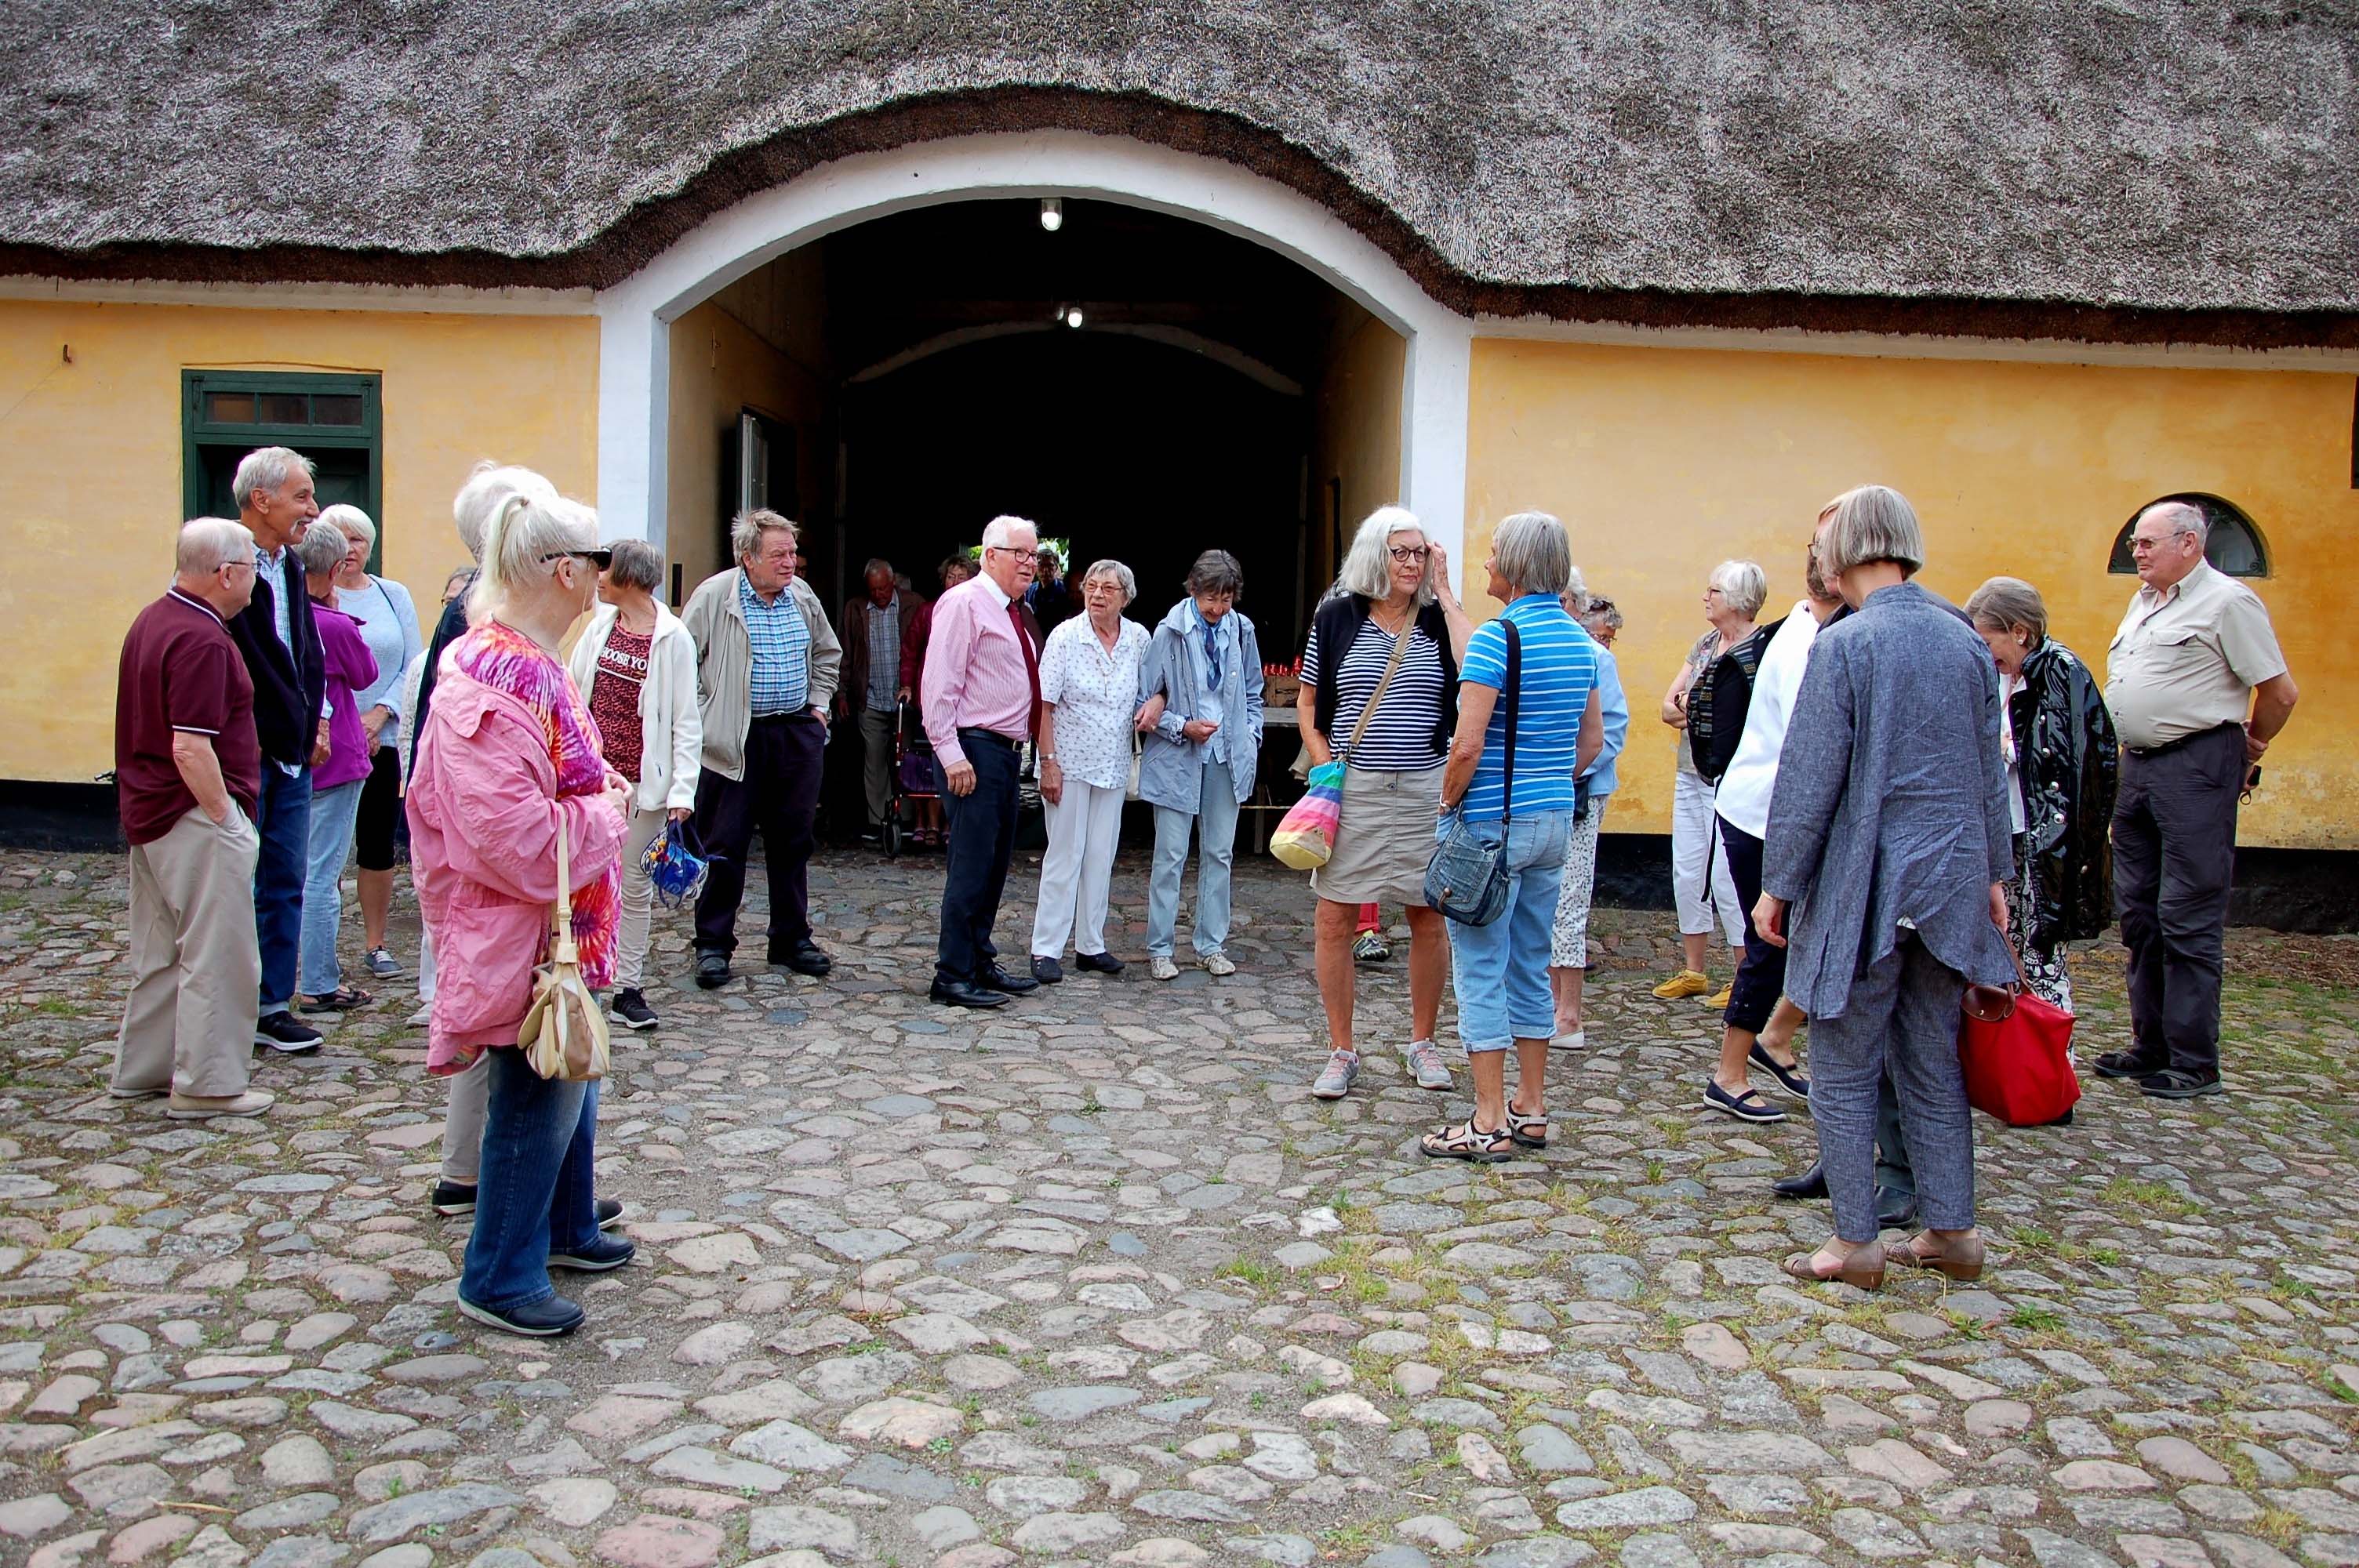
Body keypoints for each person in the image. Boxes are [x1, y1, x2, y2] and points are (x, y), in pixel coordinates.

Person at [1756, 485, 2013, 1289]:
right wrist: (1993, 875)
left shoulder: (1847, 644)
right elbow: (1986, 771)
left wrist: (1777, 886)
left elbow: (1806, 781)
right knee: (1929, 1057)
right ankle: (1952, 1231)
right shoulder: (1965, 640)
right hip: (1949, 878)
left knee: (1840, 1055)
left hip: (1866, 879)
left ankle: (1854, 1243)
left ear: (1848, 549)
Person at [406, 485, 634, 1337]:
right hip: (528, 928)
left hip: (560, 926)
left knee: (568, 1071)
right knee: (534, 1087)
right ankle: (499, 1272)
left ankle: (567, 1224)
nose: (605, 578)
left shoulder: (522, 658)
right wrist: (607, 811)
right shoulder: (500, 670)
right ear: (566, 571)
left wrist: (594, 790)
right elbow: (522, 839)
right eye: (598, 563)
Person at [1419, 513, 1601, 1160]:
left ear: (1516, 566)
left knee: (1478, 966)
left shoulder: (1500, 637)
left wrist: (1446, 800)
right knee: (1530, 963)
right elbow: (1592, 743)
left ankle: (1487, 1116)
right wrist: (1546, 781)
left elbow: (1466, 744)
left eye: (1494, 554)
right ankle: (1531, 1104)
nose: (1488, 563)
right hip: (1552, 824)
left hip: (1491, 826)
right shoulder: (1581, 643)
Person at [2101, 500, 2297, 1098]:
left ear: (2190, 544)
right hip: (2139, 769)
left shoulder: (2228, 602)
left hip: (2195, 765)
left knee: (2187, 913)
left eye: (2148, 542)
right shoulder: (2144, 604)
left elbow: (2280, 690)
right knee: (2138, 912)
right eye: (2136, 541)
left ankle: (2193, 1061)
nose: (2137, 550)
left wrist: (2251, 745)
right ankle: (2151, 1045)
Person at [423, 462, 558, 1218]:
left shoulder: (508, 621)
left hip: (496, 859)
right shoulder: (478, 625)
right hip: (485, 867)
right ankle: (471, 1177)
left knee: (514, 1019)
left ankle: (539, 1187)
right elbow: (456, 773)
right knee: (490, 1016)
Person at [1299, 508, 1470, 1097]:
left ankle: (1423, 1043)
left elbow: (1474, 669)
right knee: (1335, 917)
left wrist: (1445, 594)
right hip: (1359, 789)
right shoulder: (1337, 615)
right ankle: (1341, 1050)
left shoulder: (1436, 619)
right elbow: (1307, 701)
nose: (1411, 563)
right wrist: (1323, 763)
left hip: (1425, 788)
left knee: (1429, 916)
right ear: (1376, 555)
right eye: (1400, 552)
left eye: (1420, 553)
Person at [111, 519, 276, 1120]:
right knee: (219, 951)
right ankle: (206, 1083)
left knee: (159, 951)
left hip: (150, 810)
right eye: (253, 569)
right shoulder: (204, 639)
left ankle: (147, 1069)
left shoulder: (154, 619)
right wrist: (226, 818)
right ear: (226, 573)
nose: (257, 581)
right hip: (190, 814)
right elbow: (190, 744)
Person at [1702, 514, 1834, 1123]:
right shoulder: (1807, 637)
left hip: (1776, 806)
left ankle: (1775, 1038)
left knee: (1813, 938)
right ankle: (1730, 1072)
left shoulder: (1812, 626)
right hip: (1767, 811)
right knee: (1771, 939)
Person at [682, 509, 843, 989]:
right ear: (748, 558)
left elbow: (826, 653)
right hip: (735, 736)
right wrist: (705, 717)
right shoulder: (715, 597)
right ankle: (713, 944)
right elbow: (680, 663)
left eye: (793, 552)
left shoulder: (802, 595)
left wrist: (818, 707)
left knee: (793, 841)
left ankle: (790, 938)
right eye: (779, 554)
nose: (791, 562)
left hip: (794, 733)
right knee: (723, 843)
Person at [1965, 576, 2118, 1013]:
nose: (1983, 652)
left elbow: (2074, 762)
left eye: (1987, 639)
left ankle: (2052, 1065)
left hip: (2044, 843)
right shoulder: (1999, 675)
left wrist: (2005, 750)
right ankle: (2011, 1063)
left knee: (2040, 953)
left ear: (2020, 631)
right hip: (2004, 833)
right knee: (2002, 947)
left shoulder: (2060, 672)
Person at [567, 538, 701, 1031]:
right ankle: (582, 975)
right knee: (583, 878)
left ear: (628, 577)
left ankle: (627, 985)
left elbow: (686, 721)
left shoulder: (673, 638)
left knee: (635, 886)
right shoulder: (599, 628)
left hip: (645, 787)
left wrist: (682, 791)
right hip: (594, 783)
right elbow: (574, 690)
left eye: (605, 570)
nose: (596, 577)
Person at [921, 516, 1049, 1007]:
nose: (1029, 563)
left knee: (994, 865)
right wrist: (951, 755)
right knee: (971, 866)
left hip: (1001, 752)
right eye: (1019, 553)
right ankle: (951, 974)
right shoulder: (964, 603)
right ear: (989, 555)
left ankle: (978, 959)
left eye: (1033, 555)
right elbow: (939, 686)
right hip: (972, 750)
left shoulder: (1014, 609)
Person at [1137, 550, 1264, 981]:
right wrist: (1181, 726)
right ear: (1193, 590)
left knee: (1219, 852)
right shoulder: (1170, 631)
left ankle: (1211, 945)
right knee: (1170, 854)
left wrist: (1251, 735)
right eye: (1210, 598)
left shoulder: (1242, 631)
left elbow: (1253, 690)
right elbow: (1144, 701)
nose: (1217, 609)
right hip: (1179, 757)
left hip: (1227, 757)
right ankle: (1160, 948)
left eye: (1226, 600)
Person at [1030, 560, 1152, 982]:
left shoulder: (1138, 638)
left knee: (1101, 856)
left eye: (1109, 589)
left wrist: (1157, 702)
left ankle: (1090, 945)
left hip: (1113, 764)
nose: (1098, 594)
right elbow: (1042, 706)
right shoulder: (1066, 636)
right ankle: (1046, 948)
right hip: (1069, 762)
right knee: (1064, 855)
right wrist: (1048, 764)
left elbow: (1157, 687)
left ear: (1126, 597)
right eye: (1092, 587)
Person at [318, 506, 422, 983]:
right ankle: (319, 945)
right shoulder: (310, 597)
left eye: (358, 540)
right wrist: (342, 725)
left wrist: (378, 716)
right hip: (328, 740)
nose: (350, 549)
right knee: (324, 848)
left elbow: (413, 666)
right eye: (339, 540)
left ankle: (376, 943)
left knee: (377, 845)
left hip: (382, 740)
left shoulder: (391, 595)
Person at [1653, 561, 1761, 1002]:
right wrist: (1699, 710)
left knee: (1727, 877)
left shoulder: (1756, 651)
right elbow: (1667, 707)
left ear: (1736, 600)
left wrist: (1691, 708)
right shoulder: (1705, 644)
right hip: (1689, 771)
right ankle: (1694, 970)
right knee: (1688, 868)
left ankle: (1744, 975)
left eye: (1712, 591)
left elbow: (1739, 720)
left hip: (1731, 777)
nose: (1705, 597)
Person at [294, 521, 381, 1012]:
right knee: (322, 875)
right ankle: (321, 981)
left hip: (288, 758)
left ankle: (285, 972)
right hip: (336, 760)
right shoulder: (330, 624)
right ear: (332, 570)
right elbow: (366, 672)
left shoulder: (276, 615)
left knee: (289, 870)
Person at [1548, 573, 1629, 1048]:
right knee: (1542, 902)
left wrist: (1566, 772)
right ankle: (1543, 1004)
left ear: (1569, 604)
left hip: (1579, 793)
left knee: (1570, 901)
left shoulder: (1596, 657)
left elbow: (1611, 733)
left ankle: (1570, 1016)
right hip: (1544, 793)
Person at [841, 557, 923, 844]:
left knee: (907, 758)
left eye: (883, 589)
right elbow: (847, 653)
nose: (879, 595)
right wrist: (842, 691)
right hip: (871, 697)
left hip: (905, 699)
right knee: (874, 761)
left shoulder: (913, 604)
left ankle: (909, 819)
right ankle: (878, 821)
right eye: (873, 590)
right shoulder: (855, 609)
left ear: (893, 583)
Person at [900, 554, 976, 847]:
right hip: (930, 700)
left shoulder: (978, 611)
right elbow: (910, 650)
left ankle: (947, 824)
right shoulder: (928, 611)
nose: (955, 582)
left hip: (965, 705)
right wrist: (907, 685)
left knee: (959, 763)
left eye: (962, 577)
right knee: (924, 765)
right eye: (951, 577)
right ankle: (924, 822)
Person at [1027, 544, 1075, 636]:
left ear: (1056, 568)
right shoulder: (1030, 590)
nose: (1045, 570)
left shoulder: (1065, 591)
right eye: (1041, 565)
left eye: (1050, 566)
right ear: (1036, 568)